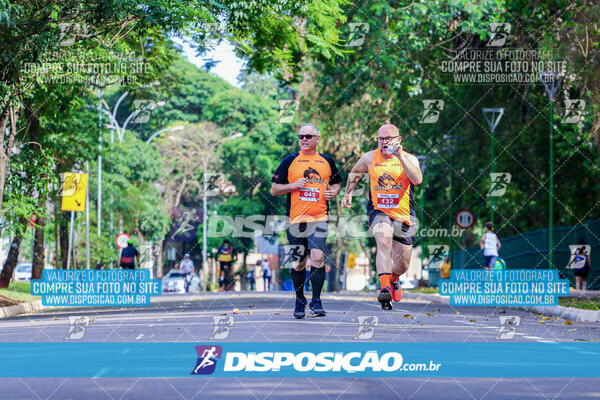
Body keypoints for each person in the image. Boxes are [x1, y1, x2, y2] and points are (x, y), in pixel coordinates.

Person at [342, 124, 422, 310]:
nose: (384, 142)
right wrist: (348, 194)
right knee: (384, 241)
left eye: (388, 138)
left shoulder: (409, 159)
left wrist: (400, 156)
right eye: (381, 139)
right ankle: (384, 288)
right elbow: (355, 173)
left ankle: (393, 279)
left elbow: (417, 180)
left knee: (403, 263)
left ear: (398, 140)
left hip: (403, 214)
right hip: (379, 211)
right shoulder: (369, 157)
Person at [271, 123, 342, 318]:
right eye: (301, 136)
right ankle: (300, 299)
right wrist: (294, 185)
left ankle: (317, 301)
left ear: (317, 139)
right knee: (299, 263)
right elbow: (274, 190)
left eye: (308, 136)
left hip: (319, 218)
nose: (304, 139)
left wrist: (333, 191)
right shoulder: (290, 161)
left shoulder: (326, 161)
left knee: (317, 257)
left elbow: (337, 182)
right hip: (295, 220)